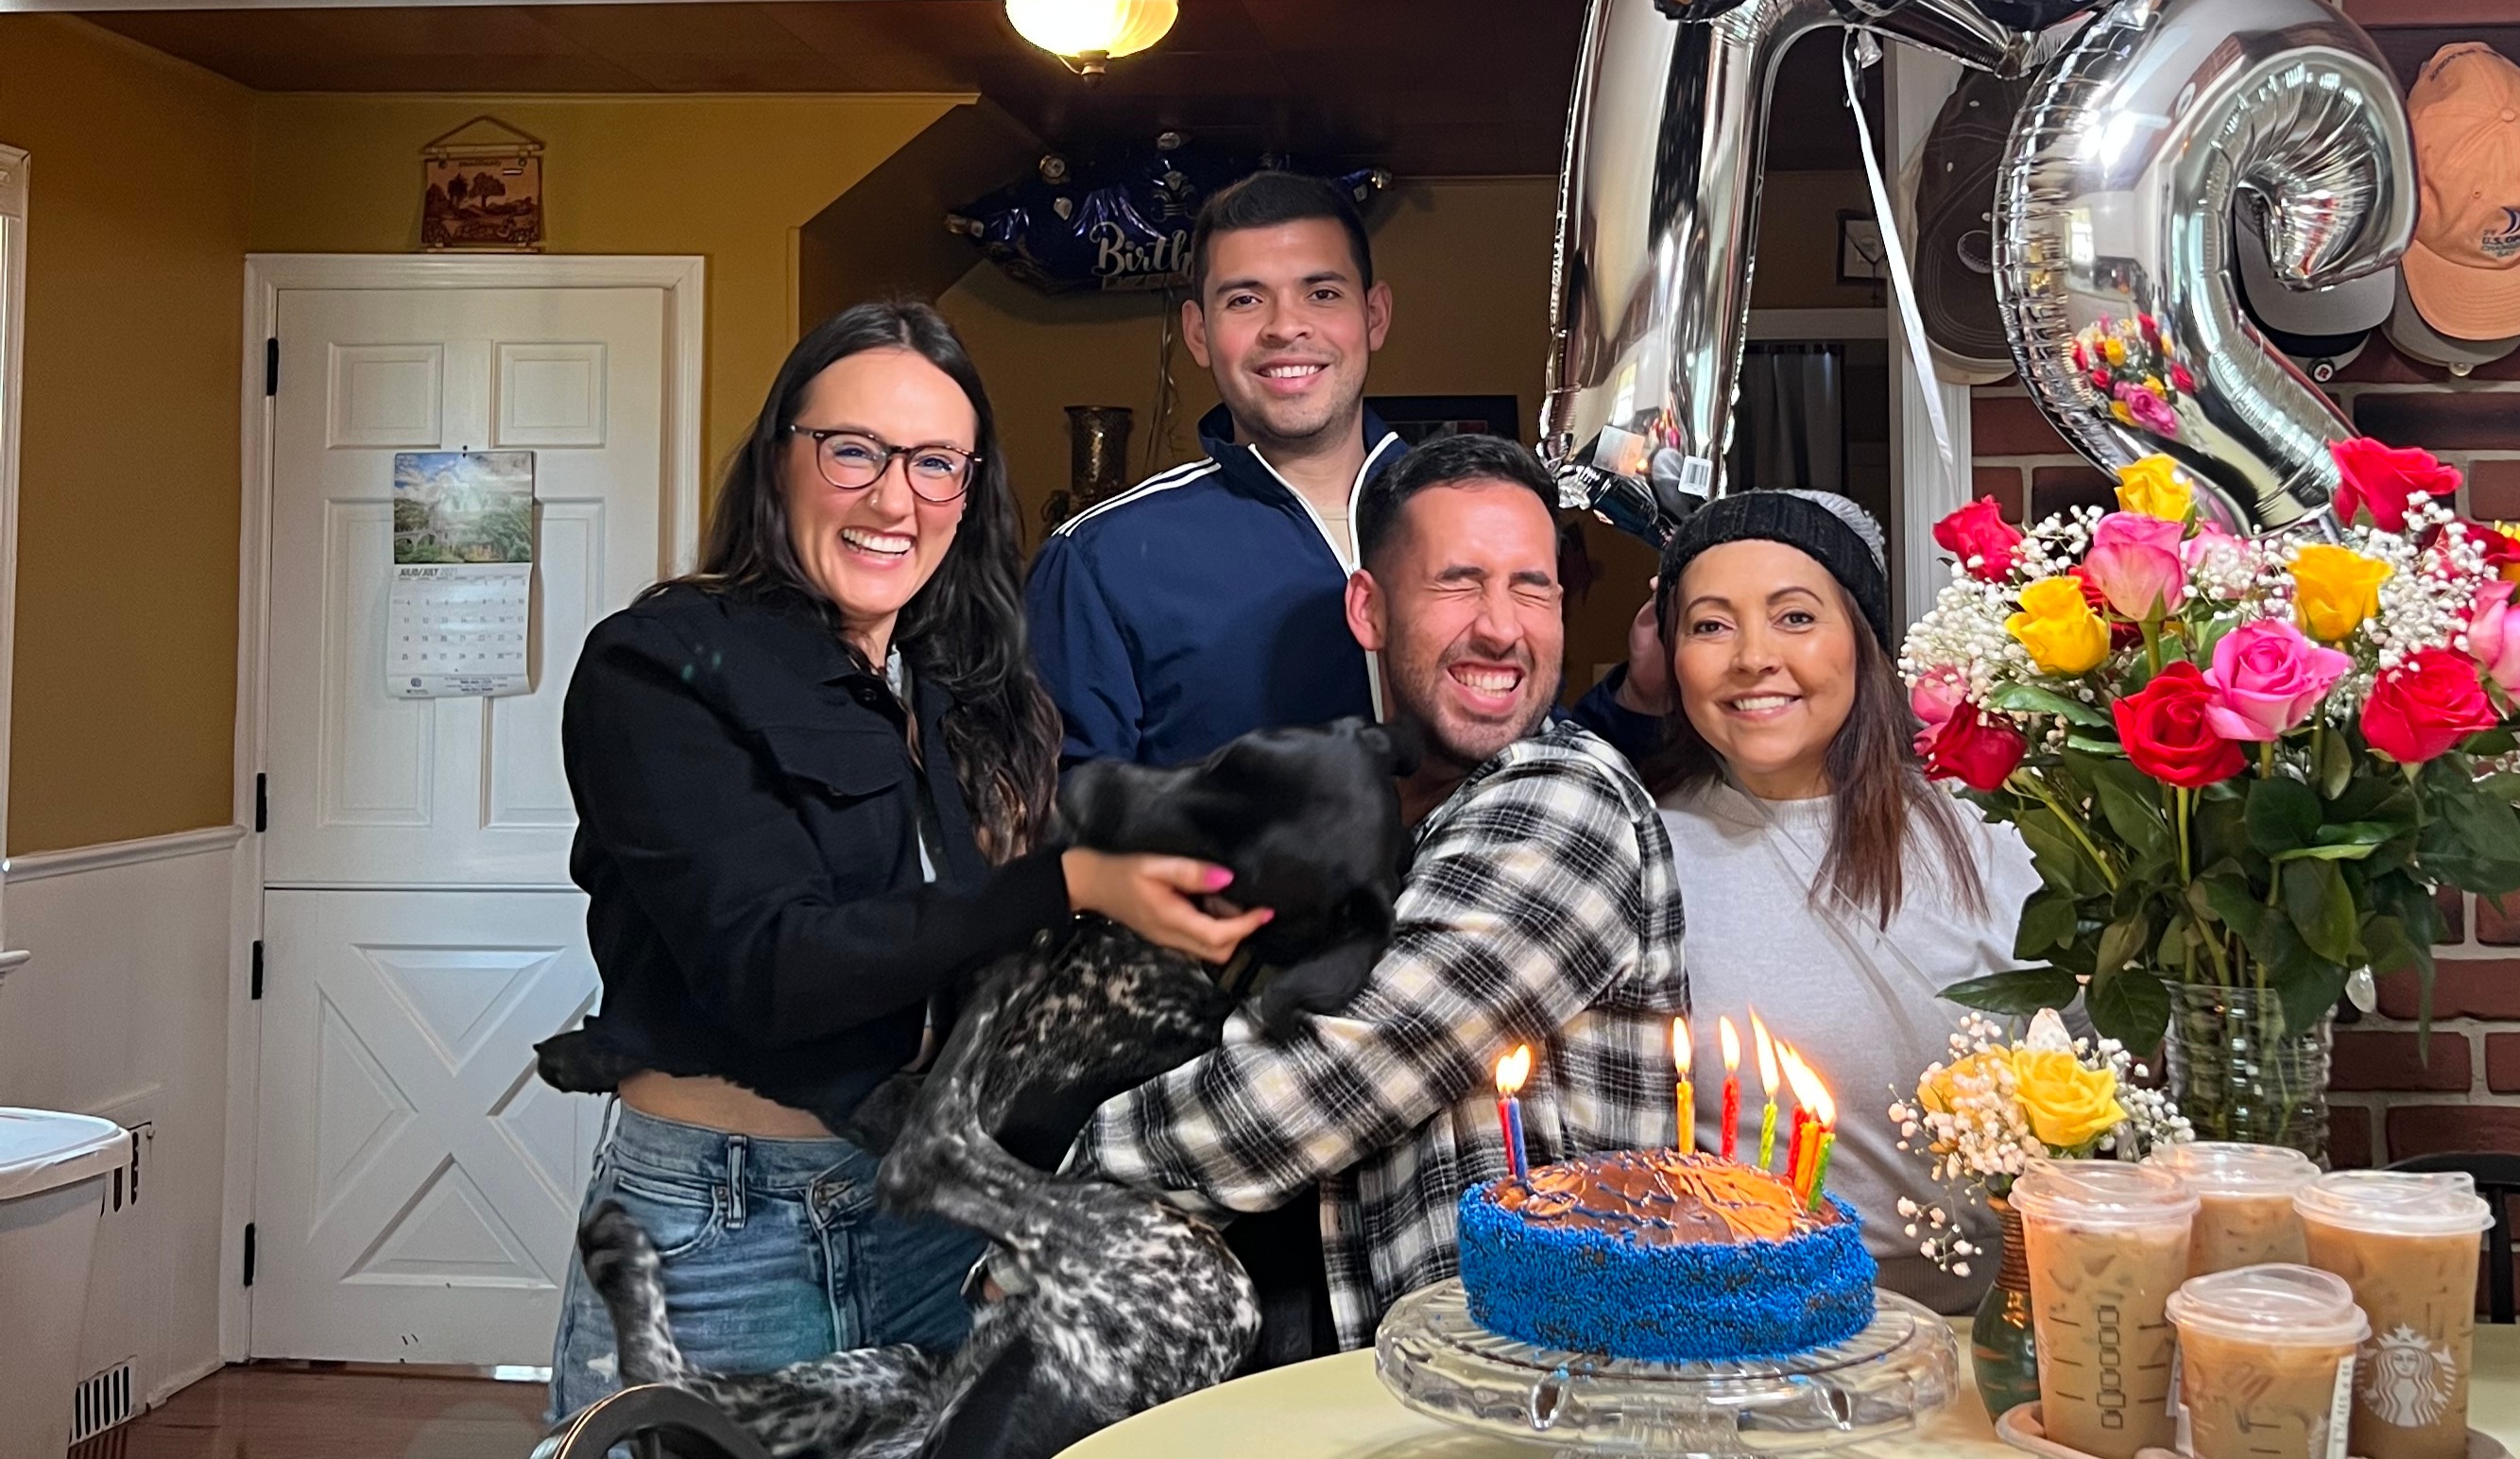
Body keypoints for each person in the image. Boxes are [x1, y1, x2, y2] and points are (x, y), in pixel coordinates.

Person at [545, 301, 1269, 1423]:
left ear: (968, 492)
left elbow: (989, 968)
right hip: (722, 1228)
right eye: (854, 451)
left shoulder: (962, 690)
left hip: (929, 1217)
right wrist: (1067, 884)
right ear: (780, 458)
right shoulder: (660, 666)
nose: (895, 500)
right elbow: (771, 967)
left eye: (936, 464)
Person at [1071, 432, 1686, 1352]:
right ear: (1369, 610)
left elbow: (1323, 1078)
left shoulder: (1566, 800)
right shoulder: (1360, 812)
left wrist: (1050, 1204)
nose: (1501, 627)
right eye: (1457, 583)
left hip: (1535, 1387)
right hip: (1368, 1376)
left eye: (1533, 587)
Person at [1636, 489, 2037, 1310]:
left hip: (2007, 1323)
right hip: (1760, 1327)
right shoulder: (1642, 854)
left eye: (1795, 617)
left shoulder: (1994, 833)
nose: (1753, 657)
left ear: (1862, 639)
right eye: (1711, 625)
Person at [1027, 170, 1409, 766]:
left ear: (1375, 316)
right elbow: (1061, 812)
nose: (1285, 327)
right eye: (1245, 300)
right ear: (1199, 333)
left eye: (1322, 293)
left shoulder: (1474, 515)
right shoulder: (1100, 560)